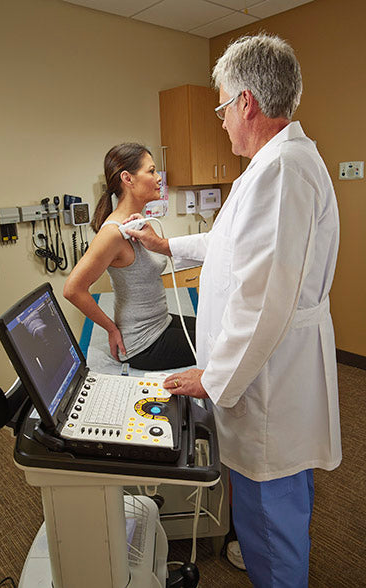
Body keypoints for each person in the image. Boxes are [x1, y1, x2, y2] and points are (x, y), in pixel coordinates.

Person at [126, 34, 341, 587]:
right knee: (272, 507)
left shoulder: (283, 170)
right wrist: (167, 244)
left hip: (267, 383)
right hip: (266, 374)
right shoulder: (271, 166)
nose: (221, 121)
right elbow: (230, 245)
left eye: (222, 106)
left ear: (246, 102)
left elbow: (266, 298)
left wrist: (214, 376)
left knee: (270, 519)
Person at [63, 142, 196, 371]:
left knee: (217, 327)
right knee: (221, 343)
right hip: (145, 344)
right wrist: (111, 329)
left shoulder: (139, 224)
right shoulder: (112, 234)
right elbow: (72, 289)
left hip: (161, 322)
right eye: (151, 171)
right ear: (127, 178)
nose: (159, 178)